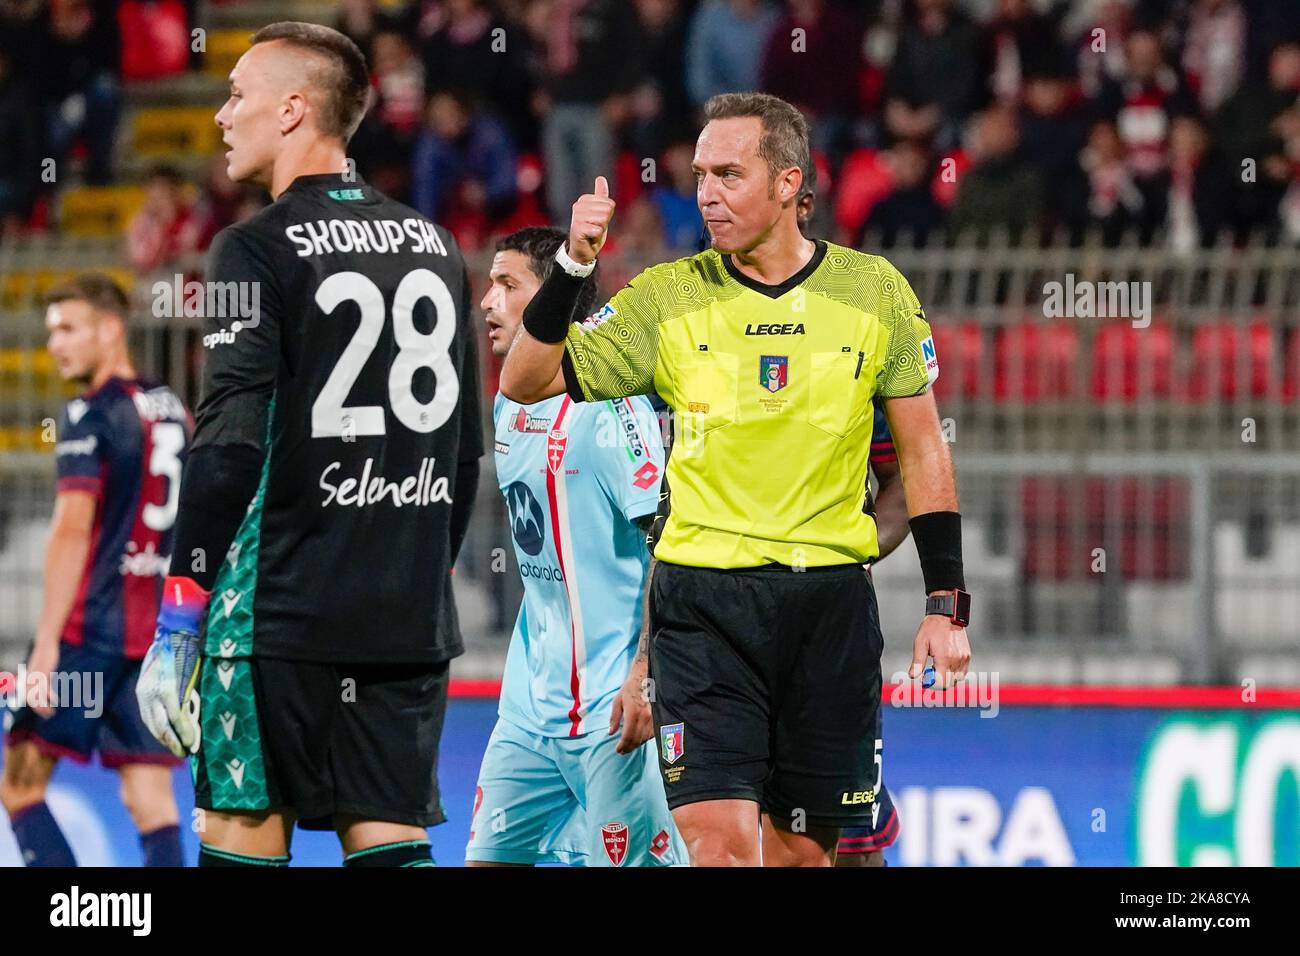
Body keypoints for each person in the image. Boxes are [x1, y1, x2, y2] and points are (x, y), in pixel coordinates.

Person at [499, 91, 971, 867]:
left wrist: (946, 605)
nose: (706, 194)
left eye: (728, 174)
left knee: (806, 858)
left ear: (789, 183)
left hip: (826, 608)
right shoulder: (664, 297)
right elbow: (524, 379)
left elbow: (922, 452)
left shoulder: (873, 291)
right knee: (713, 845)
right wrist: (574, 265)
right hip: (703, 610)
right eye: (699, 176)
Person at [134, 21, 483, 868]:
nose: (221, 116)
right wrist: (420, 570)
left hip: (276, 612)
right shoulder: (434, 245)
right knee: (388, 835)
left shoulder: (252, 247)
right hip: (401, 616)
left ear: (293, 111)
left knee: (245, 832)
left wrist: (181, 611)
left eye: (237, 96)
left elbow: (227, 443)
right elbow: (463, 446)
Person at [465, 226, 685, 867]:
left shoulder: (611, 409)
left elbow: (666, 544)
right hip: (527, 709)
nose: (488, 301)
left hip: (611, 712)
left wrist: (647, 674)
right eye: (489, 283)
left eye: (508, 285)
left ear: (557, 301)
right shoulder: (509, 401)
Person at [1, 274, 191, 867]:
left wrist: (48, 646)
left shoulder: (89, 413)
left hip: (90, 631)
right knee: (150, 799)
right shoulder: (174, 410)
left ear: (111, 331)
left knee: (21, 782)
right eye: (51, 329)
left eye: (69, 329)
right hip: (157, 635)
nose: (55, 344)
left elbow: (71, 531)